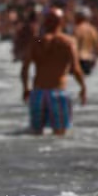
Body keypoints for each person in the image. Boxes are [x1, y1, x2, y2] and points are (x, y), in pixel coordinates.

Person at [20, 8, 86, 136]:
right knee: (59, 136)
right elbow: (76, 69)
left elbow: (25, 68)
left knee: (35, 135)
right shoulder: (67, 42)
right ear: (62, 22)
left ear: (45, 22)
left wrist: (25, 88)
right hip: (58, 93)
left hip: (38, 93)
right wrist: (83, 87)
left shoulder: (37, 41)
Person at [73, 8, 98, 76]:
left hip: (79, 60)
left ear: (79, 17)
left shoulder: (77, 29)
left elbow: (73, 46)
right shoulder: (93, 30)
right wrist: (95, 60)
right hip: (90, 60)